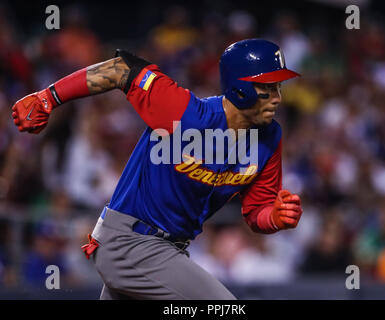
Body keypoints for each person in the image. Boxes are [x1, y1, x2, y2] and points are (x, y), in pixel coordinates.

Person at [11, 39, 303, 299]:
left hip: (167, 251)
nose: (277, 97)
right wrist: (48, 97)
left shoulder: (268, 137)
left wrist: (275, 217)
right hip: (130, 242)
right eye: (266, 87)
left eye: (278, 87)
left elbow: (256, 212)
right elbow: (120, 69)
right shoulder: (186, 112)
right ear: (240, 89)